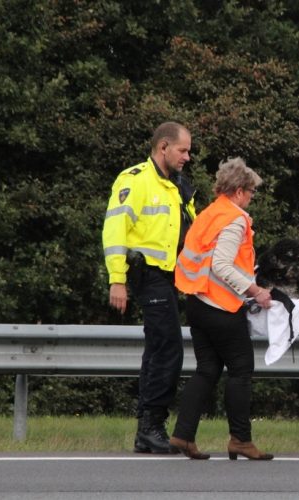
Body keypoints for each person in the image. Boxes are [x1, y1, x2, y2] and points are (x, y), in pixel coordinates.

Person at [169, 157, 274, 461]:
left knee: (208, 370)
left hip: (197, 302)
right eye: (252, 192)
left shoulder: (209, 213)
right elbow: (222, 265)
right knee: (241, 370)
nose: (252, 197)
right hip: (221, 306)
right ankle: (240, 439)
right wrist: (256, 291)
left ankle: (183, 435)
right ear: (240, 191)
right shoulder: (235, 218)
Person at [102, 122, 196, 454]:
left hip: (171, 278)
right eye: (183, 150)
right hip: (148, 276)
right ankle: (152, 425)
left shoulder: (178, 186)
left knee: (157, 349)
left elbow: (191, 235)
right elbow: (114, 230)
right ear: (163, 148)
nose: (187, 156)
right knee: (169, 348)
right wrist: (117, 279)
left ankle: (147, 429)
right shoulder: (135, 180)